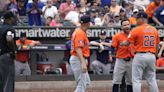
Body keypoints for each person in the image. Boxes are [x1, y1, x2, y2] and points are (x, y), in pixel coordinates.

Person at [120, 12, 160, 92]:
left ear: (142, 19)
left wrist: (121, 43)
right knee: (152, 79)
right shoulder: (154, 29)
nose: (136, 21)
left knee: (136, 80)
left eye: (137, 19)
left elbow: (127, 42)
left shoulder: (137, 29)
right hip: (151, 55)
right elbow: (157, 46)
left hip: (140, 56)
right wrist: (154, 56)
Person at [69, 15, 91, 92]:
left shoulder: (80, 31)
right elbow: (78, 48)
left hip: (78, 59)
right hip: (78, 59)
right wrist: (83, 63)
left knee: (86, 82)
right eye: (89, 22)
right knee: (81, 85)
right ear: (87, 23)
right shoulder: (80, 33)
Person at [112, 19, 133, 92]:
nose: (126, 26)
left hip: (131, 60)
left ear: (130, 25)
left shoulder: (134, 35)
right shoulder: (117, 36)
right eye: (124, 25)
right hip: (120, 60)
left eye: (128, 24)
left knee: (130, 81)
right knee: (116, 81)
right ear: (121, 27)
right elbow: (113, 47)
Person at [0, 11, 17, 92]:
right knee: (8, 80)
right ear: (10, 19)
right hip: (6, 56)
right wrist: (13, 51)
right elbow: (9, 39)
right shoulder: (9, 28)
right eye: (13, 18)